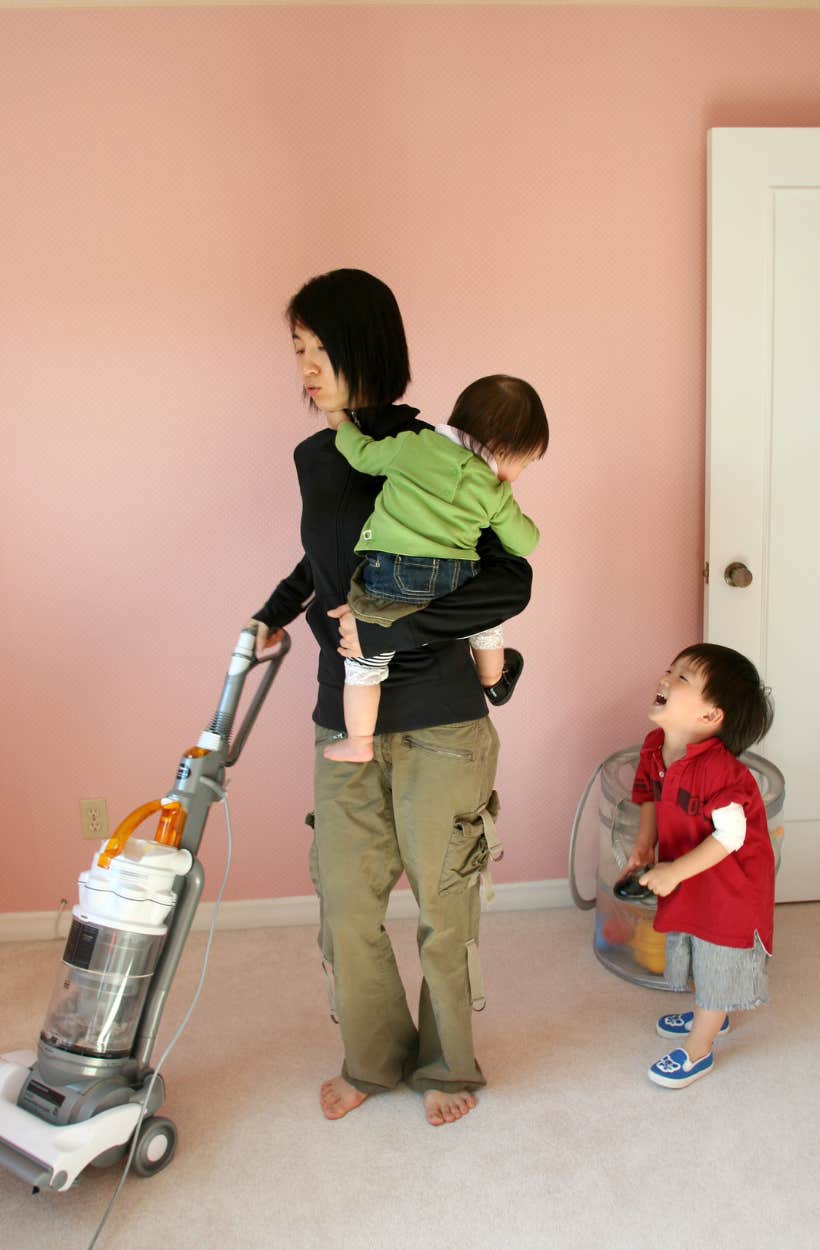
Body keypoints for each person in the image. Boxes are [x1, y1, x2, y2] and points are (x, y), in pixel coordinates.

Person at [249, 268, 534, 1126]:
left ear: (363, 346)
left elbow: (508, 578)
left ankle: (449, 1064)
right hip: (344, 714)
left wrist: (393, 634)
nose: (303, 367)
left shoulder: (431, 449)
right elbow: (331, 561)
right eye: (294, 351)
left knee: (445, 906)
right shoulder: (312, 457)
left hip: (442, 719)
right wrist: (273, 612)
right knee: (345, 901)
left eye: (316, 348)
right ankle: (372, 1059)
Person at [324, 374, 547, 763]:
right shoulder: (494, 490)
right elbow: (522, 543)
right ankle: (493, 679)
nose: (518, 473)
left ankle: (359, 741)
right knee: (486, 614)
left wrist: (341, 424)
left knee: (364, 658)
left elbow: (361, 455)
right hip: (454, 580)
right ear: (503, 448)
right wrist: (523, 522)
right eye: (523, 463)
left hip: (391, 575)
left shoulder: (412, 447)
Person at [621, 643, 775, 1088]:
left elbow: (731, 835)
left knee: (718, 956)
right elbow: (649, 795)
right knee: (692, 946)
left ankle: (698, 1050)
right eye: (670, 670)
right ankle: (712, 1012)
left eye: (683, 678)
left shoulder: (721, 773)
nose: (665, 678)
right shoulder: (655, 748)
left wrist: (672, 872)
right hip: (690, 875)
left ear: (711, 717)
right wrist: (645, 845)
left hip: (730, 887)